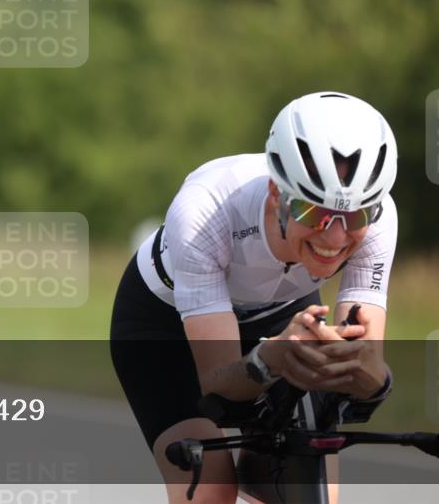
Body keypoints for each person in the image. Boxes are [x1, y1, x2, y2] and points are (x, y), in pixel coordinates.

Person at [110, 91, 397, 504]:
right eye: (314, 213)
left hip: (281, 315)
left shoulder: (381, 218)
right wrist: (272, 358)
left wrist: (363, 373)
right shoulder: (204, 212)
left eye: (355, 216)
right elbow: (218, 387)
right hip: (163, 324)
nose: (334, 238)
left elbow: (362, 381)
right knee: (211, 487)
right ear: (277, 194)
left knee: (310, 483)